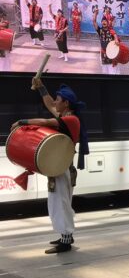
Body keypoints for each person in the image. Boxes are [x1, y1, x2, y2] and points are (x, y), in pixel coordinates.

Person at [11, 78, 89, 254]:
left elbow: (46, 122)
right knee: (56, 202)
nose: (55, 102)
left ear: (66, 103)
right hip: (58, 167)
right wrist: (41, 88)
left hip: (63, 168)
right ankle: (64, 235)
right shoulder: (66, 116)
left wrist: (22, 122)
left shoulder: (72, 120)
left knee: (62, 204)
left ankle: (66, 239)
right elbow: (49, 105)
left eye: (58, 100)